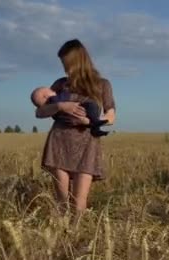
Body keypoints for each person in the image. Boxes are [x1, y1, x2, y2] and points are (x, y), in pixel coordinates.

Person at [35, 38, 116, 214]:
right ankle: (63, 237)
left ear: (79, 61)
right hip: (59, 144)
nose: (65, 69)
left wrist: (88, 121)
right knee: (62, 202)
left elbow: (111, 116)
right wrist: (61, 106)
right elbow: (39, 112)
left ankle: (75, 236)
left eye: (67, 63)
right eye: (63, 64)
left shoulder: (102, 84)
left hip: (87, 145)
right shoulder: (60, 84)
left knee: (79, 202)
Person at [30, 86, 109, 137]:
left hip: (76, 121)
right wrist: (62, 104)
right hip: (80, 111)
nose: (52, 90)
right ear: (45, 96)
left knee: (91, 111)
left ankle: (95, 127)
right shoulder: (54, 98)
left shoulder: (52, 107)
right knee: (92, 105)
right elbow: (38, 113)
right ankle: (95, 124)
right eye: (49, 90)